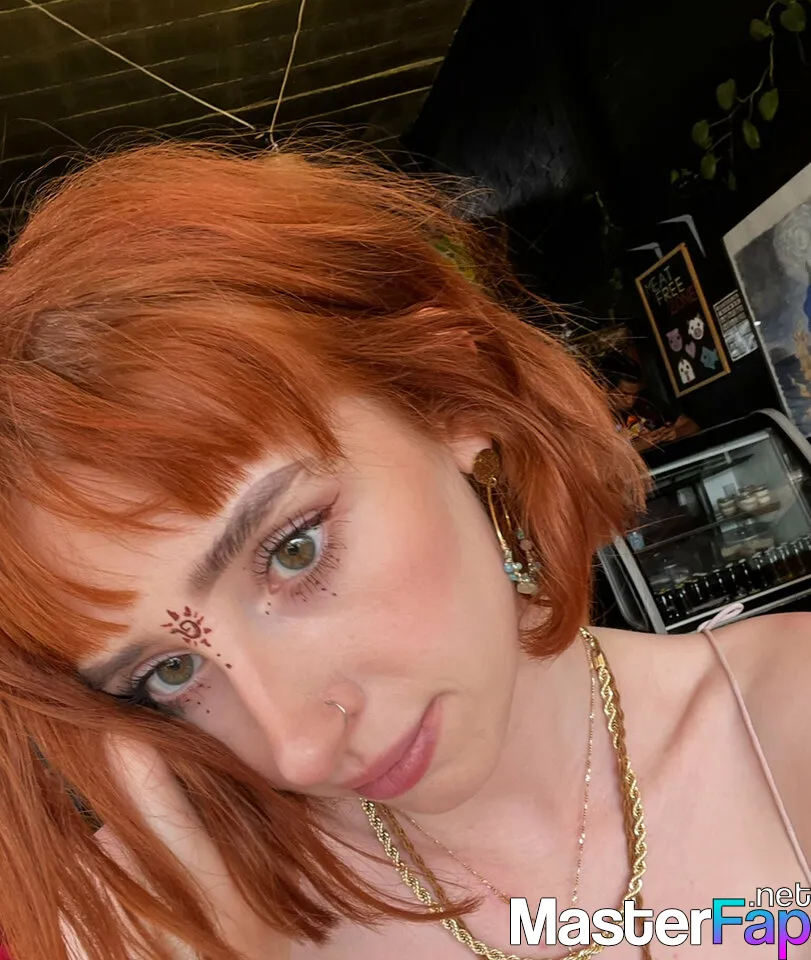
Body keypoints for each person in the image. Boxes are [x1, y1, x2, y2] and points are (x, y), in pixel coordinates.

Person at [0, 144, 809, 960]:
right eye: (170, 670)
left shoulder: (785, 723)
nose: (298, 749)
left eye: (294, 550)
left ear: (447, 390)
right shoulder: (172, 919)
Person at [597, 350, 700, 452]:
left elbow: (692, 425)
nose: (630, 401)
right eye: (624, 394)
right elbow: (603, 456)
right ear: (605, 387)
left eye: (635, 394)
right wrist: (636, 446)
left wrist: (676, 433)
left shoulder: (646, 400)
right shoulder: (596, 417)